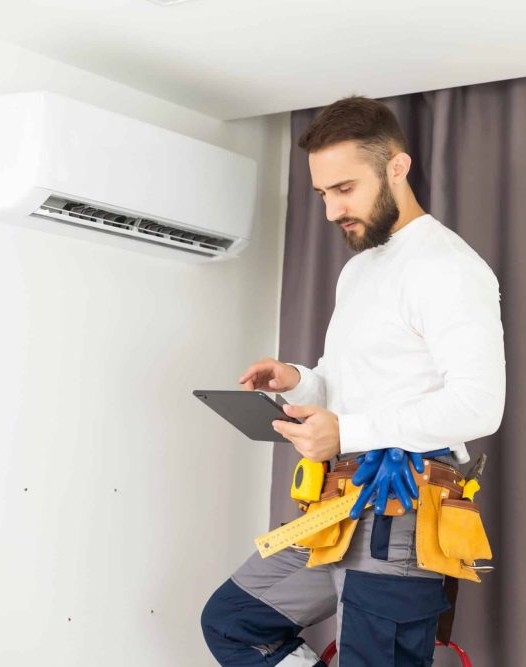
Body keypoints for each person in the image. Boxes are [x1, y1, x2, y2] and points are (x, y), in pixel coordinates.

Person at [200, 95, 506, 667]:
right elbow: (347, 387)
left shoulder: (450, 269)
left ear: (397, 166)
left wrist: (346, 432)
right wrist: (297, 381)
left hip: (406, 511)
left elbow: (479, 405)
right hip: (338, 504)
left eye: (344, 189)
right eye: (322, 194)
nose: (331, 210)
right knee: (234, 623)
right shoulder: (360, 268)